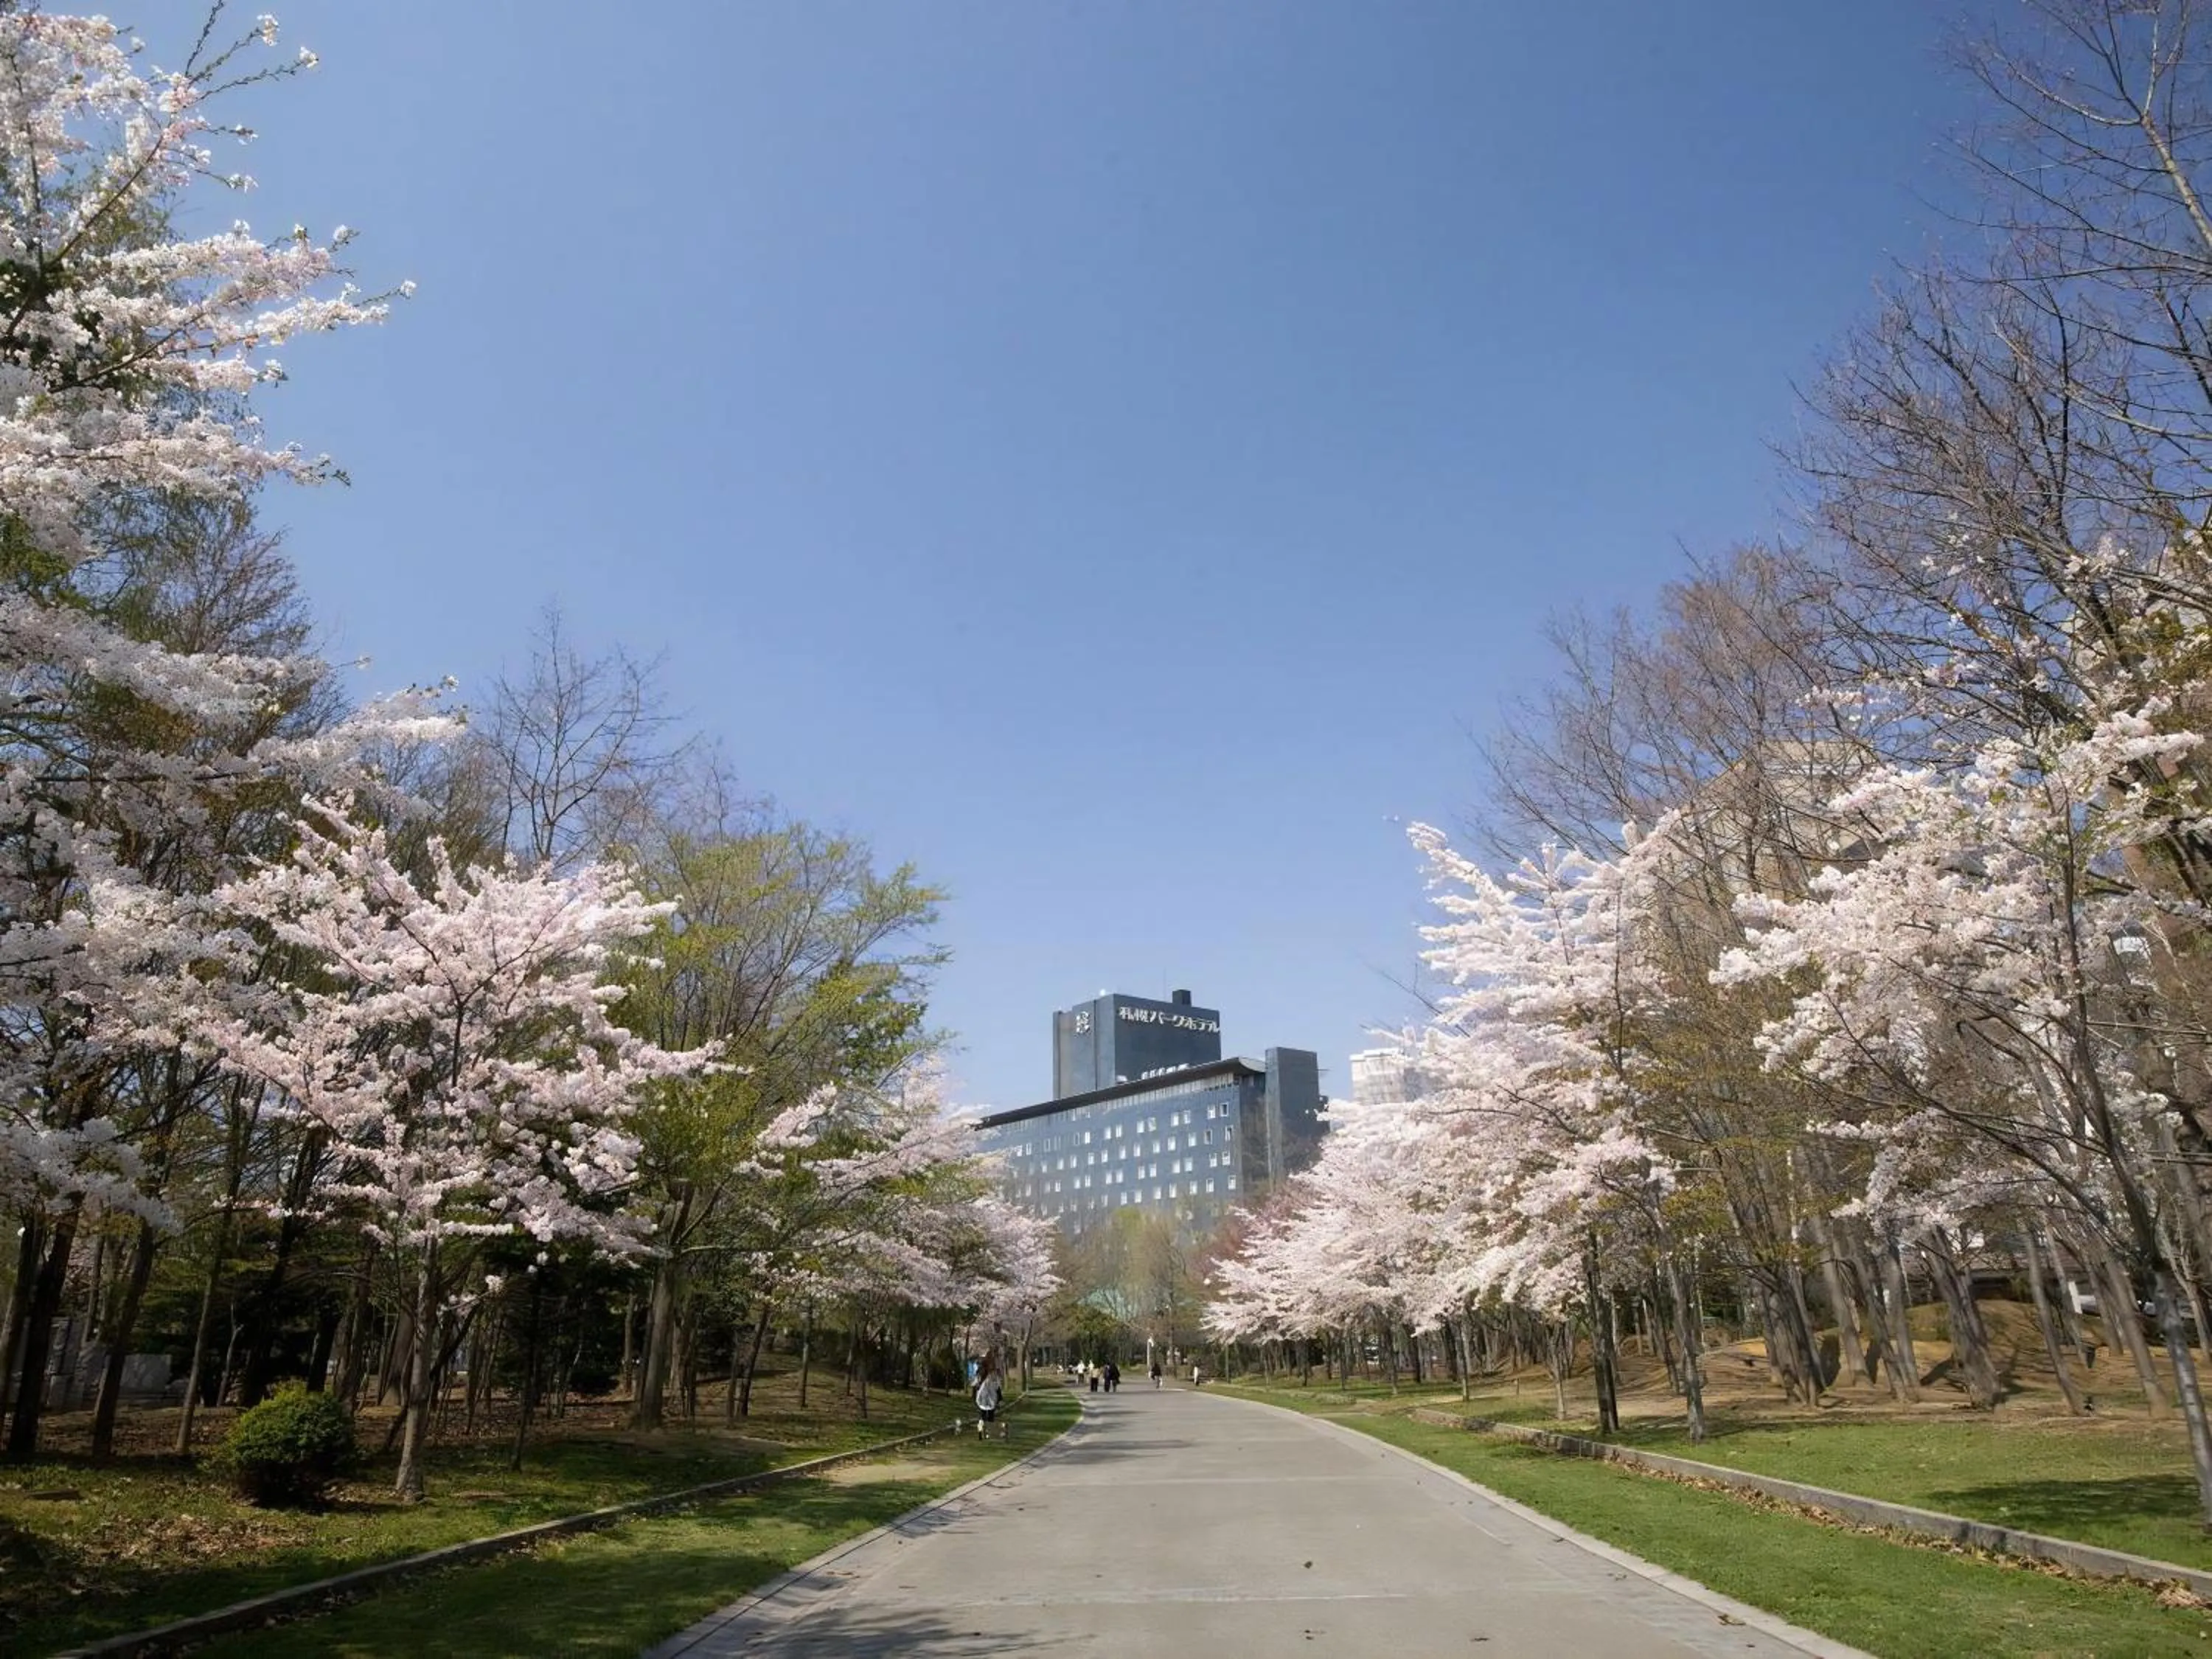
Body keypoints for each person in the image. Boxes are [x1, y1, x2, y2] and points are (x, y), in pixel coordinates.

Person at [974, 1355, 1006, 1440]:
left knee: (982, 1416)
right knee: (990, 1416)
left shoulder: (979, 1373)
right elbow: (997, 1388)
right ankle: (988, 1433)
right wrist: (1000, 1399)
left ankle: (981, 1433)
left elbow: (976, 1386)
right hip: (991, 1398)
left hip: (981, 1398)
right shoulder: (992, 1375)